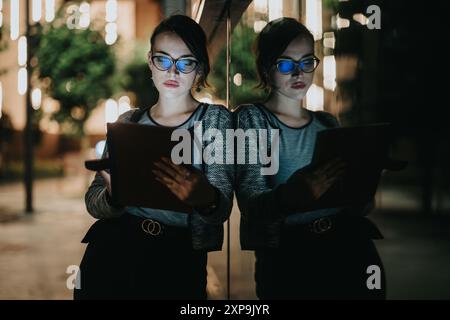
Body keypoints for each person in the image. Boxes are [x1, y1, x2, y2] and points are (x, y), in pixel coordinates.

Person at [74, 15, 233, 300]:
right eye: (163, 60)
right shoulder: (130, 121)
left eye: (185, 62)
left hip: (178, 259)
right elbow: (93, 201)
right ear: (150, 61)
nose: (173, 72)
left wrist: (205, 197)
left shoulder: (215, 120)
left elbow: (221, 210)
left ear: (200, 69)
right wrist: (114, 197)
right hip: (114, 252)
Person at [234, 17, 386, 299]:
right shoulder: (252, 119)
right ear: (266, 69)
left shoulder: (326, 122)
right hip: (290, 259)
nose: (298, 73)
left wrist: (364, 183)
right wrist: (292, 196)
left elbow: (358, 205)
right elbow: (251, 204)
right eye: (286, 64)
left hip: (347, 249)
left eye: (306, 62)